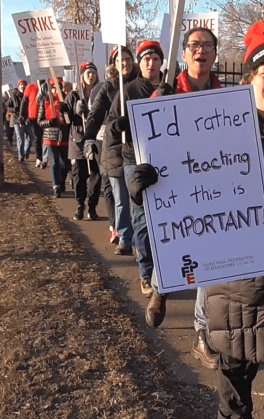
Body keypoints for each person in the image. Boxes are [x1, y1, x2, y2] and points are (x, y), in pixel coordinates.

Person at [130, 21, 264, 418]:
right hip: (236, 292)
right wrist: (146, 189)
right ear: (249, 79)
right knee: (235, 404)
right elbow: (181, 191)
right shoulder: (213, 127)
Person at [147, 27, 222, 369]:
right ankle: (161, 286)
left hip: (209, 186)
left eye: (207, 45)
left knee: (205, 260)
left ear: (214, 54)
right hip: (173, 186)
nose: (200, 51)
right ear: (184, 53)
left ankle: (202, 335)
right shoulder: (165, 92)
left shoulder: (225, 96)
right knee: (174, 246)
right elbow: (144, 142)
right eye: (194, 45)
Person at [105, 41, 165, 319]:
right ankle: (146, 271)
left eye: (155, 58)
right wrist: (119, 125)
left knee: (166, 219)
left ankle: (167, 270)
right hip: (134, 160)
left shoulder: (170, 87)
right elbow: (112, 127)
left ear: (161, 62)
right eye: (146, 59)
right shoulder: (127, 91)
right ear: (140, 63)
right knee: (141, 219)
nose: (150, 63)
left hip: (166, 160)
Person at [85, 47, 139, 244]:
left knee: (137, 197)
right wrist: (88, 137)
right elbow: (95, 114)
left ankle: (140, 239)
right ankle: (124, 236)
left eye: (128, 58)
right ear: (114, 64)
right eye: (120, 60)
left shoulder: (141, 82)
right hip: (114, 147)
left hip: (137, 146)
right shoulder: (108, 87)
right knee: (119, 197)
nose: (125, 63)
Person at [67, 62, 103, 221]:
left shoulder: (100, 93)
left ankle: (92, 206)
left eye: (93, 73)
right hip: (77, 141)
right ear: (82, 76)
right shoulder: (74, 95)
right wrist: (70, 111)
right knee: (79, 175)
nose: (90, 76)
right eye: (88, 73)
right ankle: (80, 205)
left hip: (95, 140)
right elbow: (65, 120)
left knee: (96, 175)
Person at [38, 77, 70, 198]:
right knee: (55, 162)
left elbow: (69, 120)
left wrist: (64, 112)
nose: (56, 89)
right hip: (50, 136)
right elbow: (40, 121)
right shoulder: (45, 101)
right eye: (54, 87)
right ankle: (55, 186)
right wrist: (49, 122)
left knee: (65, 163)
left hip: (64, 136)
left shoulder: (66, 101)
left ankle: (62, 181)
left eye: (59, 87)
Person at [20, 80, 42, 167]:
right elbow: (24, 102)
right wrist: (22, 116)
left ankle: (45, 157)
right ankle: (39, 157)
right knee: (37, 138)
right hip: (33, 117)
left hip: (47, 116)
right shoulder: (30, 87)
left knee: (46, 139)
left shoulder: (48, 86)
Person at [9, 80, 30, 162]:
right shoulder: (14, 95)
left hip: (27, 118)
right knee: (20, 137)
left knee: (29, 136)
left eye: (24, 84)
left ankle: (26, 151)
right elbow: (8, 106)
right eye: (21, 84)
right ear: (19, 86)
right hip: (17, 119)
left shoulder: (28, 95)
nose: (22, 86)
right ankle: (20, 155)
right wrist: (14, 109)